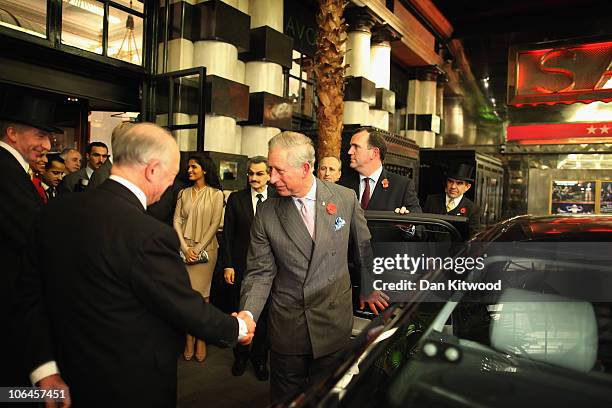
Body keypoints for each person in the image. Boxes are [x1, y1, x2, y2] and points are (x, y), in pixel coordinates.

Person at [20, 122, 255, 407]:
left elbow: (27, 295)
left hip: (60, 377)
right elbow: (181, 306)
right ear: (152, 170)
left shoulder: (54, 211)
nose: (171, 184)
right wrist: (237, 328)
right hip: (126, 385)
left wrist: (44, 370)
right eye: (170, 176)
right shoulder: (149, 235)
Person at [240, 131, 388, 402]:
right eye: (270, 170)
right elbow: (260, 272)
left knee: (330, 397)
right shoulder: (267, 212)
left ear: (305, 168)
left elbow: (363, 247)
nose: (271, 178)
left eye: (278, 171)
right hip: (288, 327)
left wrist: (368, 287)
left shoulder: (344, 198)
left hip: (333, 322)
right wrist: (248, 312)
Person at [0, 92, 71, 403]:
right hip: (12, 310)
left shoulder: (14, 170)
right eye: (40, 135)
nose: (47, 145)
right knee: (17, 394)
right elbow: (35, 236)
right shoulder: (5, 172)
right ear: (12, 133)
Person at [222, 155, 273, 380]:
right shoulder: (236, 199)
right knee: (242, 313)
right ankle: (240, 356)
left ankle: (260, 360)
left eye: (259, 173)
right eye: (251, 173)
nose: (253, 177)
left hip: (270, 272)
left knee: (264, 319)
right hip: (241, 268)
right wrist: (228, 265)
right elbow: (228, 236)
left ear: (269, 176)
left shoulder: (277, 200)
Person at [173, 152, 225, 363]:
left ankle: (201, 339)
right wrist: (185, 248)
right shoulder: (183, 193)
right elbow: (176, 221)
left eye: (194, 166)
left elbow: (214, 225)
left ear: (204, 169)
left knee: (203, 299)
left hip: (207, 252)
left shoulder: (216, 194)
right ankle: (188, 339)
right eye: (189, 167)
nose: (190, 170)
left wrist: (198, 248)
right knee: (186, 298)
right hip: (184, 251)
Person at [341, 128, 421, 212]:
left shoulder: (402, 186)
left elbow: (419, 223)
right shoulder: (343, 186)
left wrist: (407, 223)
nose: (350, 152)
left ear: (374, 153)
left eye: (356, 147)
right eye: (351, 147)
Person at [422, 163, 481, 236]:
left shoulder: (473, 209)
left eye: (459, 183)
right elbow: (422, 229)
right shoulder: (431, 200)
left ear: (467, 187)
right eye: (450, 181)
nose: (453, 186)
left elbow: (473, 238)